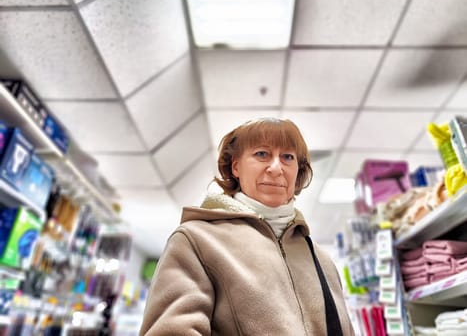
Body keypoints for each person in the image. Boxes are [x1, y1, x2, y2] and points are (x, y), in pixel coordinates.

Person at [139, 118, 355, 335]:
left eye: (287, 157)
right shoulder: (196, 241)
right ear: (236, 167)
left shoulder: (322, 260)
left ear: (297, 171)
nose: (276, 167)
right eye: (262, 154)